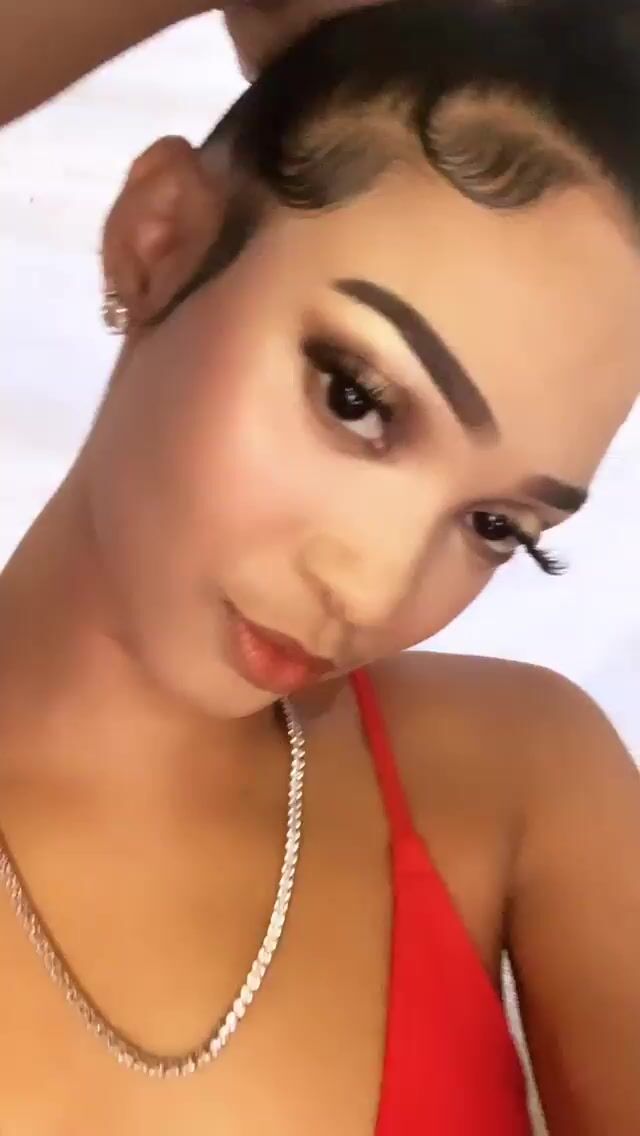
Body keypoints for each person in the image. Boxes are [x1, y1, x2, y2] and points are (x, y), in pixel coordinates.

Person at [0, 0, 638, 1132]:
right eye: (356, 399)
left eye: (496, 525)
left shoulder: (518, 782)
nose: (375, 589)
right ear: (159, 240)